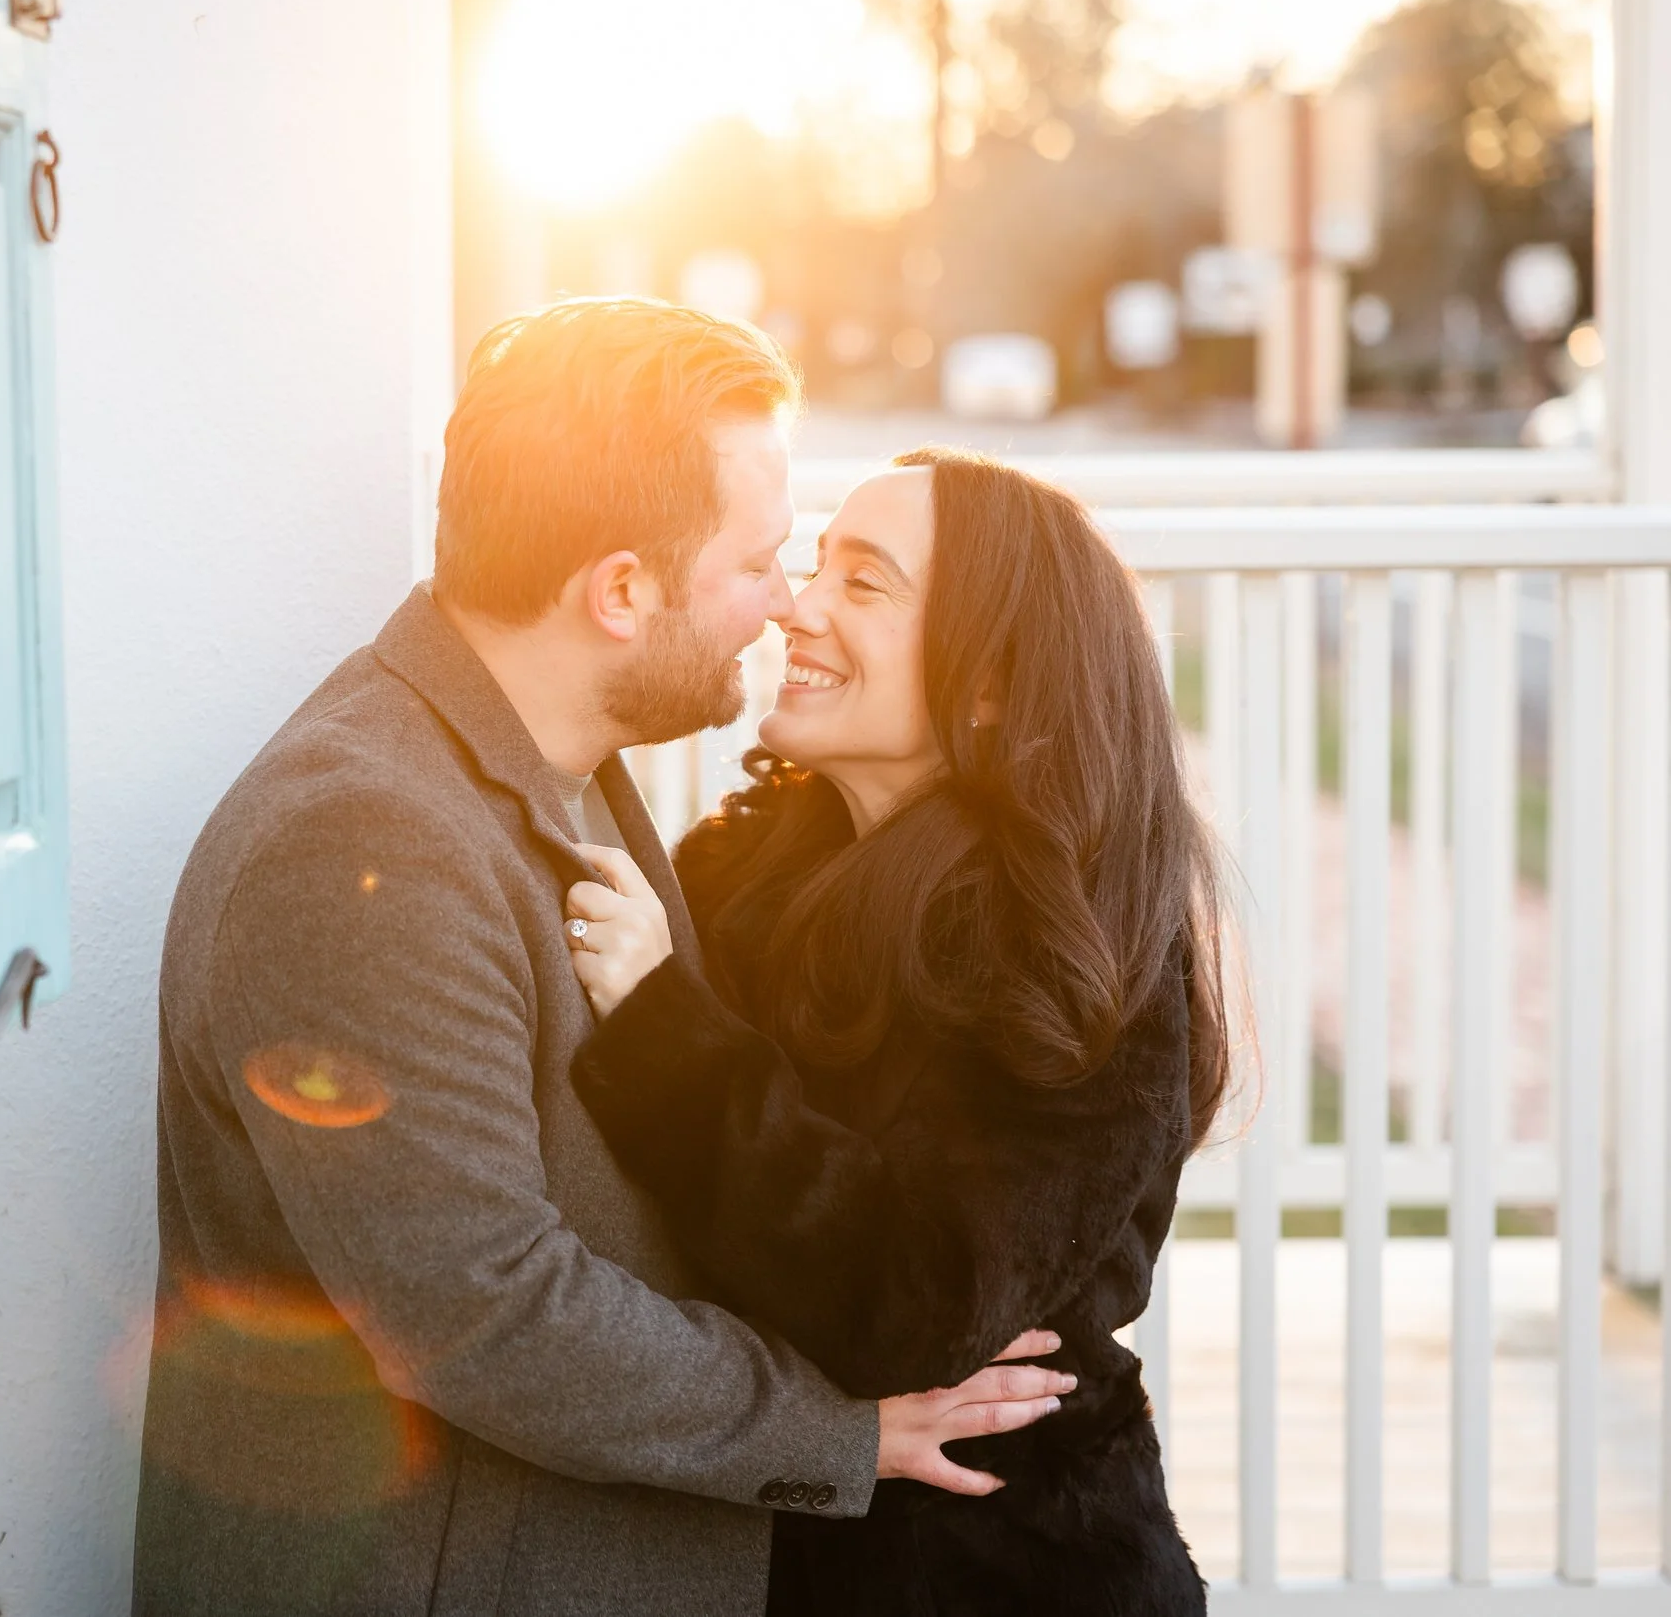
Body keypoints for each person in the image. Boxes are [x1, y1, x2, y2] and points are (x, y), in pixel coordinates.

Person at [131, 306, 1071, 1617]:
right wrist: (838, 1430)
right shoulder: (361, 846)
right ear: (621, 589)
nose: (787, 604)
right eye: (759, 563)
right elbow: (482, 1304)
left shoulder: (557, 768)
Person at [563, 450, 1229, 1615]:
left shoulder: (1069, 945)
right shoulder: (748, 863)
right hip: (770, 1543)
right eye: (816, 565)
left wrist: (665, 1031)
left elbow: (921, 1302)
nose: (797, 606)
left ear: (989, 682)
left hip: (1005, 1562)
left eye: (864, 584)